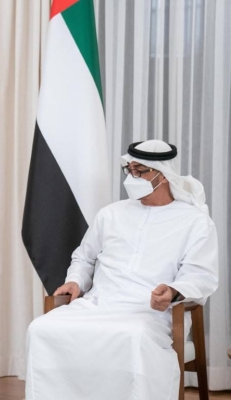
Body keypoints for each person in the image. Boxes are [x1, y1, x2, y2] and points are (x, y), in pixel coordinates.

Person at [25, 140, 218, 400]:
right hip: (98, 305)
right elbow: (84, 258)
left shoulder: (194, 221)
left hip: (151, 313)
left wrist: (173, 291)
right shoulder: (110, 214)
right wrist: (75, 282)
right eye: (130, 170)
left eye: (141, 171)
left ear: (163, 174)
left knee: (133, 336)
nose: (133, 177)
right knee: (41, 329)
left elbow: (201, 274)